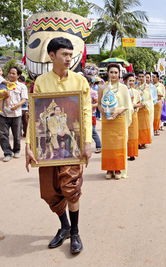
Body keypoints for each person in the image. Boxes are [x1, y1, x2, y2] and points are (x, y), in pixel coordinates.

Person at [25, 37, 92, 254]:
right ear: (51, 55)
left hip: (71, 145)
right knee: (49, 192)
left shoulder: (80, 82)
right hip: (46, 146)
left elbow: (85, 112)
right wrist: (28, 145)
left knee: (71, 188)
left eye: (71, 55)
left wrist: (88, 141)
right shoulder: (41, 82)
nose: (68, 58)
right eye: (64, 54)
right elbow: (34, 115)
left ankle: (75, 232)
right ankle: (64, 226)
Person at [99, 63, 133, 179]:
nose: (113, 75)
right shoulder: (102, 87)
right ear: (107, 73)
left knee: (119, 144)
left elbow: (128, 105)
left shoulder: (123, 88)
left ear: (119, 74)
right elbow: (99, 104)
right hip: (107, 120)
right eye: (111, 72)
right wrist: (102, 110)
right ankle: (109, 169)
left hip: (119, 119)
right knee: (108, 145)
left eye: (116, 72)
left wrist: (118, 111)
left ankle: (118, 168)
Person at [0, 66, 28, 162]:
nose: (11, 75)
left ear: (18, 75)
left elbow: (24, 99)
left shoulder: (22, 86)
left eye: (13, 73)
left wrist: (17, 105)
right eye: (10, 73)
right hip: (3, 114)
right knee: (3, 134)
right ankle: (7, 153)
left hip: (16, 114)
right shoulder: (2, 84)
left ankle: (17, 150)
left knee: (17, 134)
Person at [125, 73, 141, 161]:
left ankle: (132, 154)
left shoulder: (136, 92)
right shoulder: (123, 91)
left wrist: (135, 105)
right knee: (125, 134)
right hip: (125, 115)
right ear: (126, 81)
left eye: (133, 81)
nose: (131, 82)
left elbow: (140, 103)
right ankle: (124, 153)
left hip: (134, 115)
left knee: (133, 135)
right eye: (130, 81)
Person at [136, 71, 153, 148]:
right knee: (137, 127)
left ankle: (143, 142)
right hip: (137, 109)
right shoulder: (135, 86)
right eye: (139, 76)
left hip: (145, 109)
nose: (141, 78)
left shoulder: (148, 87)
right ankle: (138, 142)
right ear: (137, 77)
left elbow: (149, 98)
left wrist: (144, 104)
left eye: (143, 77)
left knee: (144, 126)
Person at [90, 78, 102, 153]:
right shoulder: (79, 92)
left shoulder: (93, 92)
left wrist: (90, 106)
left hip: (92, 114)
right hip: (81, 115)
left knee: (93, 131)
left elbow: (98, 103)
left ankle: (99, 146)